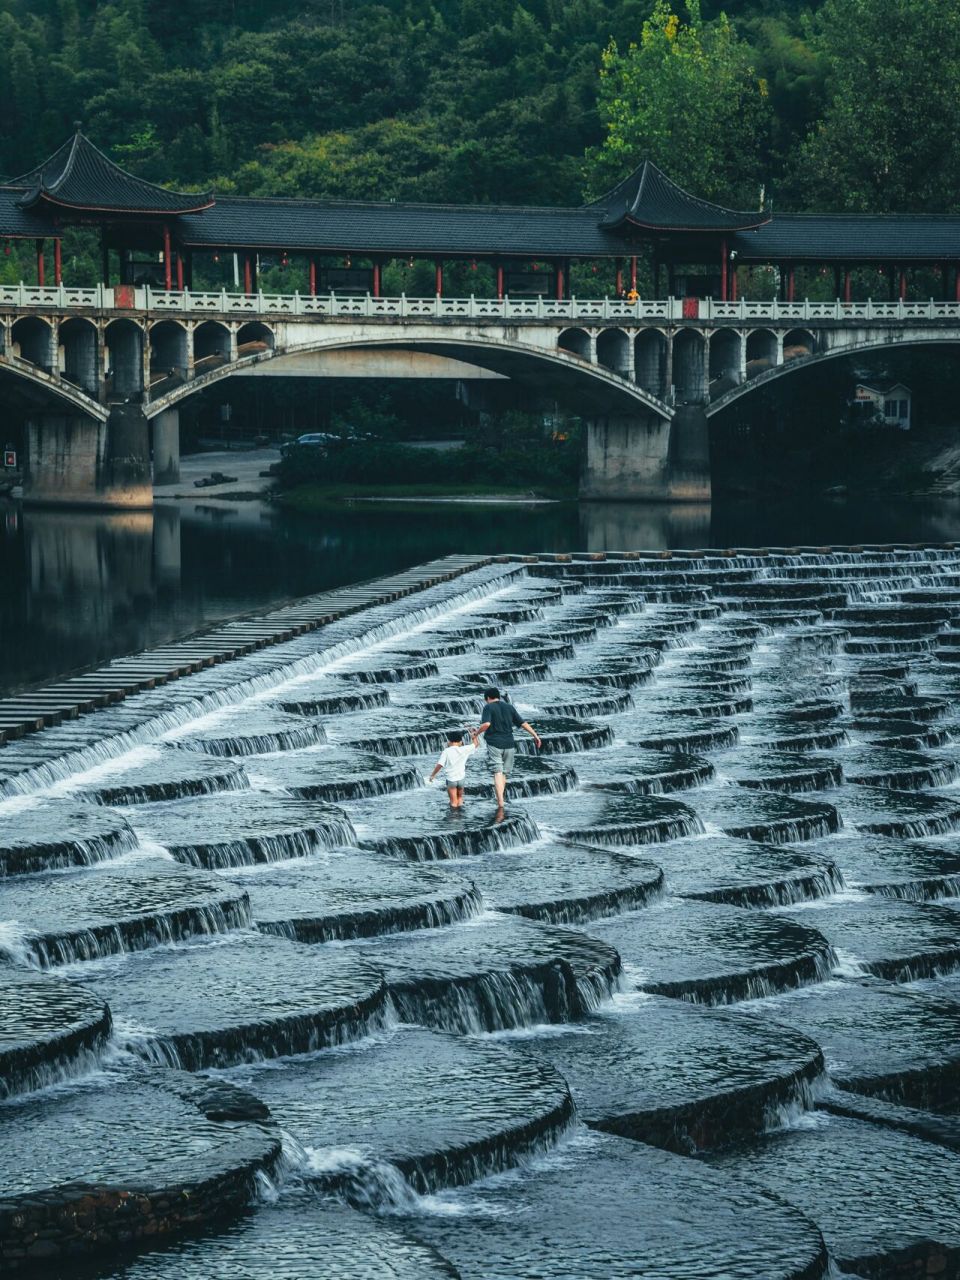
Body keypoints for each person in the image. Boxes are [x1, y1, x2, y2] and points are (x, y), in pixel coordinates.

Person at [475, 687, 542, 812]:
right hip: (509, 744)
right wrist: (535, 735)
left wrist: (476, 733)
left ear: (487, 698)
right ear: (498, 697)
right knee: (504, 773)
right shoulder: (509, 707)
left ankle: (500, 801)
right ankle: (501, 799)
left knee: (497, 772)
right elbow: (522, 723)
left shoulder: (488, 707)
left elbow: (486, 724)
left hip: (494, 743)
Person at [428, 729, 479, 809]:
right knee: (460, 799)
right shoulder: (464, 749)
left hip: (451, 780)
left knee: (453, 802)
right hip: (461, 779)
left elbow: (439, 765)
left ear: (449, 741)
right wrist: (474, 736)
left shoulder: (446, 751)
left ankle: (454, 819)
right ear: (461, 742)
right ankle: (461, 817)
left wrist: (432, 775)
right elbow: (476, 744)